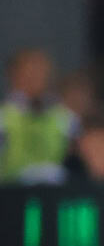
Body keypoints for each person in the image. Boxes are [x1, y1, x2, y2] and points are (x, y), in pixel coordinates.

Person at [0, 48, 79, 184]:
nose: (35, 78)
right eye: (29, 72)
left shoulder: (65, 116)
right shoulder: (3, 117)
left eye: (41, 72)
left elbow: (77, 156)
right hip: (11, 194)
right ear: (13, 75)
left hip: (56, 193)